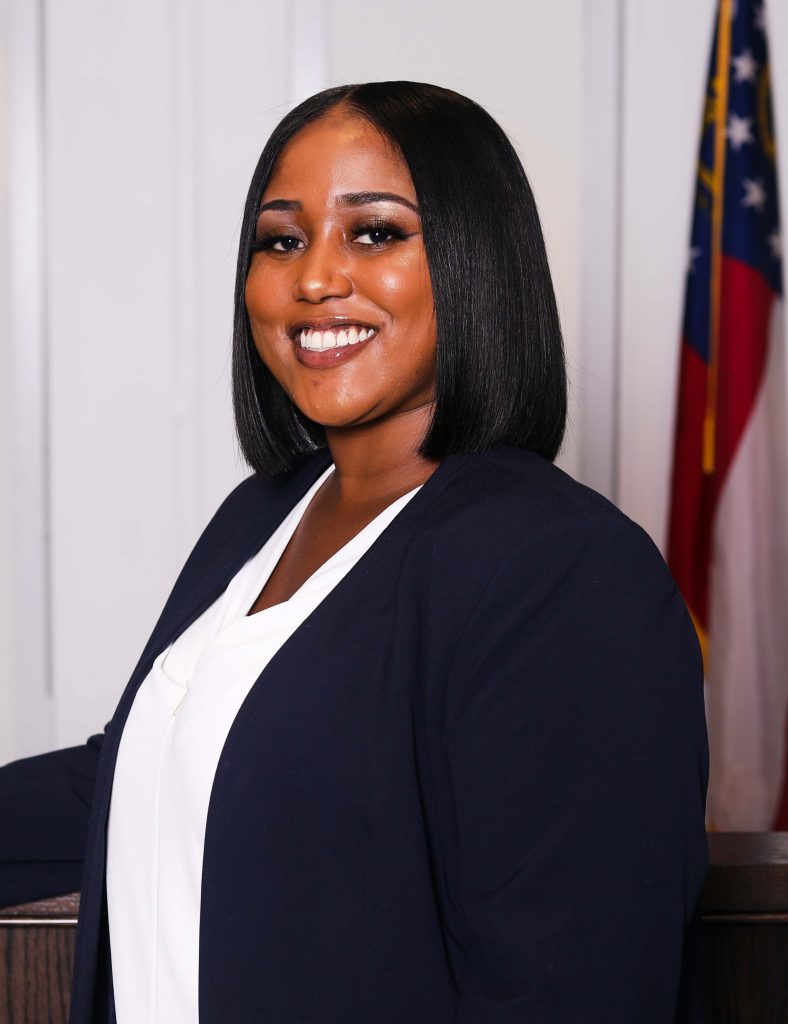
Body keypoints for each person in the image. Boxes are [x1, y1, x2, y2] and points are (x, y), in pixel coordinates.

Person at [0, 81, 709, 1023]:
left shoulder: (564, 570)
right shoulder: (261, 516)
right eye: (281, 239)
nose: (314, 278)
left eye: (374, 232)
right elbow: (144, 770)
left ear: (475, 259)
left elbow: (572, 983)